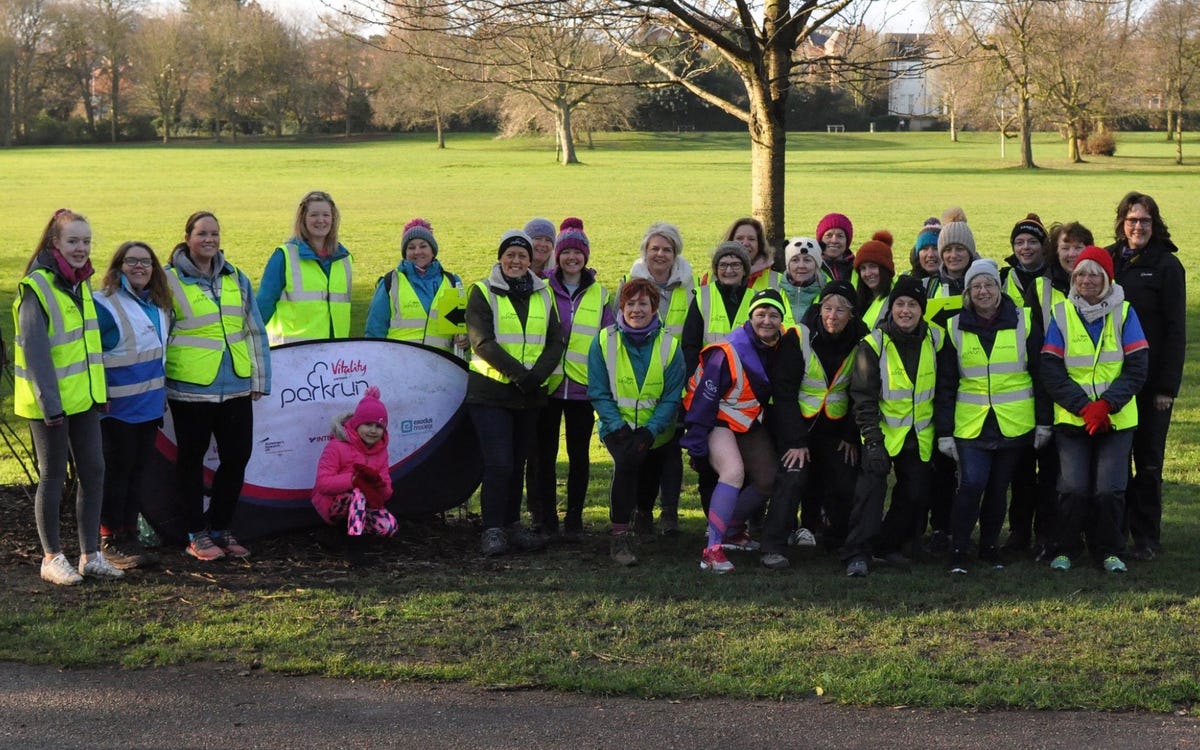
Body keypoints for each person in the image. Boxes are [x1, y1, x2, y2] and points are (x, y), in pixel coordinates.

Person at [13, 209, 122, 585]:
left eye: (86, 241)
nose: (81, 248)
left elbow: (89, 347)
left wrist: (99, 391)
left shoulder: (81, 283)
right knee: (53, 476)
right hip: (51, 405)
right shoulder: (37, 287)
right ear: (54, 243)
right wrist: (50, 406)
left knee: (94, 472)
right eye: (73, 241)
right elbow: (35, 351)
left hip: (85, 399)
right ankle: (51, 557)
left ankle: (90, 555)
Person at [165, 211, 271, 562]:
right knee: (191, 462)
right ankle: (196, 533)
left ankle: (221, 528)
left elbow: (254, 328)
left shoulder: (235, 276)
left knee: (237, 458)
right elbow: (158, 332)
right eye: (201, 233)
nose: (209, 240)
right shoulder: (168, 280)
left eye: (214, 233)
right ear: (187, 237)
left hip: (236, 384)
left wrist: (259, 378)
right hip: (191, 389)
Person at [935, 259, 1050, 575]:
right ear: (968, 292)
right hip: (971, 423)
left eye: (988, 285)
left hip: (1014, 422)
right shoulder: (954, 326)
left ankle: (989, 546)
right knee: (971, 484)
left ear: (998, 288)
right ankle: (959, 549)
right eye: (976, 286)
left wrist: (1043, 422)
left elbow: (1041, 378)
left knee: (999, 488)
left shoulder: (1024, 322)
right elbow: (945, 385)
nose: (982, 291)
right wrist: (945, 432)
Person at [1041, 246, 1148, 573]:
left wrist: (1106, 406)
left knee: (1109, 489)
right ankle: (1066, 549)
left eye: (1094, 274)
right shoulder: (1061, 313)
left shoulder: (1126, 313)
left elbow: (1137, 367)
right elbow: (1051, 369)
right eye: (1081, 274)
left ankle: (1109, 550)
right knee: (1072, 488)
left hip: (1115, 420)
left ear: (1107, 278)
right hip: (1073, 419)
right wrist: (1084, 408)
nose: (1087, 280)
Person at [681, 289, 799, 574]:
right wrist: (697, 443)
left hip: (745, 421)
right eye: (760, 314)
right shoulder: (728, 350)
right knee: (732, 472)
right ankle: (712, 550)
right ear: (751, 317)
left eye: (773, 315)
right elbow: (703, 401)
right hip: (715, 419)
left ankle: (731, 529)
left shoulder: (781, 344)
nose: (767, 321)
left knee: (768, 478)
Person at [467, 230, 564, 556]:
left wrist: (534, 377)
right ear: (501, 258)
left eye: (522, 256)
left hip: (529, 395)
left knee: (519, 463)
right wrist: (521, 375)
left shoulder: (544, 294)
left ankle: (511, 525)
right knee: (499, 463)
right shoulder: (482, 291)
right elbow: (482, 341)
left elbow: (555, 341)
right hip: (491, 393)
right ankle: (492, 529)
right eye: (510, 254)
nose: (516, 260)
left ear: (531, 260)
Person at [759, 280, 867, 569]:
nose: (832, 315)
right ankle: (773, 546)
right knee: (792, 475)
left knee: (846, 477)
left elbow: (863, 393)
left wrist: (851, 435)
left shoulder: (864, 340)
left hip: (837, 430)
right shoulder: (799, 336)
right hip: (798, 427)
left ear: (852, 314)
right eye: (827, 308)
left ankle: (838, 539)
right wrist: (795, 441)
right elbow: (783, 391)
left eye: (840, 310)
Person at [844, 277, 945, 577]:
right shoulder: (873, 344)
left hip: (920, 434)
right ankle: (857, 553)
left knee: (914, 495)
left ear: (922, 310)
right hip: (882, 432)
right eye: (899, 304)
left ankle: (888, 545)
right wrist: (872, 440)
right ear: (890, 309)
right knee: (870, 494)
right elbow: (863, 397)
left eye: (912, 305)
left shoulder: (936, 338)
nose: (905, 310)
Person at [1107, 192, 1186, 561]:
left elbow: (1175, 331)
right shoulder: (1106, 260)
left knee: (1149, 462)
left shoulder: (1167, 267)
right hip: (1114, 382)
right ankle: (1113, 534)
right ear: (1122, 223)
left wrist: (1167, 387)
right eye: (1132, 219)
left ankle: (1147, 538)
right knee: (1116, 460)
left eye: (1145, 221)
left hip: (1152, 385)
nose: (1138, 227)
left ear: (1155, 225)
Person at [588, 278, 686, 565]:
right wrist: (617, 427)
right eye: (630, 303)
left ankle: (644, 514)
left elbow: (671, 396)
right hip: (616, 427)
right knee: (628, 465)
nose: (636, 309)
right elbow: (598, 390)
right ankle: (619, 536)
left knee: (650, 472)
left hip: (655, 429)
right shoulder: (604, 340)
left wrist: (650, 431)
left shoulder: (671, 345)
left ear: (654, 307)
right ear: (621, 306)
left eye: (643, 303)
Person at [530, 218, 613, 538]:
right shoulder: (542, 287)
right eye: (566, 253)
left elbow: (607, 340)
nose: (572, 258)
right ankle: (547, 518)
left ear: (586, 257)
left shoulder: (601, 294)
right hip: (548, 386)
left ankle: (574, 519)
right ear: (558, 256)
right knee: (543, 457)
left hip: (582, 389)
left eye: (578, 253)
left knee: (579, 457)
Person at [93, 240, 171, 570]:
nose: (139, 267)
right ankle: (110, 538)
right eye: (131, 261)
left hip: (149, 407)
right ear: (118, 266)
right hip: (116, 411)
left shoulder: (158, 305)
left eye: (146, 262)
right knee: (116, 473)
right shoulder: (105, 303)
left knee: (136, 473)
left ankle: (128, 534)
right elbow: (92, 355)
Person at [624, 222, 694, 533]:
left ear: (675, 252)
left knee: (670, 448)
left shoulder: (689, 285)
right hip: (639, 376)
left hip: (677, 374)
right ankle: (641, 510)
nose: (660, 254)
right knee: (642, 447)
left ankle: (669, 513)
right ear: (645, 252)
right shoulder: (630, 282)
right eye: (654, 248)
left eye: (667, 249)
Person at [999, 213, 1060, 559]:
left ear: (1043, 247)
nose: (1025, 247)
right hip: (1015, 385)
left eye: (1032, 242)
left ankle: (1047, 535)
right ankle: (1018, 533)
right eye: (1019, 242)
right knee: (1020, 471)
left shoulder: (1056, 280)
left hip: (1050, 379)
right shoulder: (1003, 278)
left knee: (1050, 470)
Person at [681, 241, 754, 518]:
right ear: (715, 269)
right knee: (708, 462)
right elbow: (690, 346)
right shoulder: (702, 297)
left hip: (743, 394)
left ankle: (740, 524)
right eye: (723, 265)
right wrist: (695, 383)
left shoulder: (755, 298)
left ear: (745, 270)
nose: (729, 269)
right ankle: (712, 523)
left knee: (743, 460)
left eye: (736, 264)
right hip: (708, 392)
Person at [312, 386, 397, 566]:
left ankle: (339, 536)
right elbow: (322, 484)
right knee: (358, 495)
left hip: (364, 506)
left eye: (379, 426)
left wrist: (379, 485)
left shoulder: (381, 451)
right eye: (368, 425)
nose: (373, 431)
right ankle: (355, 551)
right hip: (333, 503)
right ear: (357, 424)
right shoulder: (337, 446)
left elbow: (387, 491)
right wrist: (352, 480)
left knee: (389, 526)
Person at [257, 190, 352, 345]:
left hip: (333, 352)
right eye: (314, 215)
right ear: (303, 219)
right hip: (291, 351)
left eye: (326, 215)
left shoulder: (344, 260)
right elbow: (263, 305)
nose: (320, 220)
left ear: (333, 219)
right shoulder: (284, 256)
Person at [364, 218, 468, 354]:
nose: (417, 252)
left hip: (441, 365)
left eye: (423, 246)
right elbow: (375, 329)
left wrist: (465, 340)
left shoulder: (453, 282)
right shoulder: (390, 281)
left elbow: (463, 329)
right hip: (400, 364)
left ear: (433, 250)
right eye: (411, 247)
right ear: (405, 253)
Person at [720, 217, 779, 290]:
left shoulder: (777, 281)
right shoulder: (709, 278)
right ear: (729, 242)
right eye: (739, 238)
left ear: (759, 245)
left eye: (751, 239)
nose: (745, 243)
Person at [853, 231, 896, 329]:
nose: (868, 273)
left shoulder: (897, 299)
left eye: (872, 266)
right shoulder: (859, 301)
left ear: (885, 269)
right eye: (863, 268)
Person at [779, 237, 823, 326]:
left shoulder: (827, 292)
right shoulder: (775, 288)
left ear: (816, 265)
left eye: (807, 260)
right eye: (795, 260)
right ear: (788, 265)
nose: (801, 266)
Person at [903, 217, 942, 296]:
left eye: (936, 248)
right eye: (924, 249)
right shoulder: (905, 280)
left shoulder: (955, 283)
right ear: (917, 254)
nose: (930, 254)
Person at [816, 212, 855, 284]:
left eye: (840, 236)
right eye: (829, 235)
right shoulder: (809, 267)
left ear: (847, 241)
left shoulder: (859, 268)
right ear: (820, 240)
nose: (834, 241)